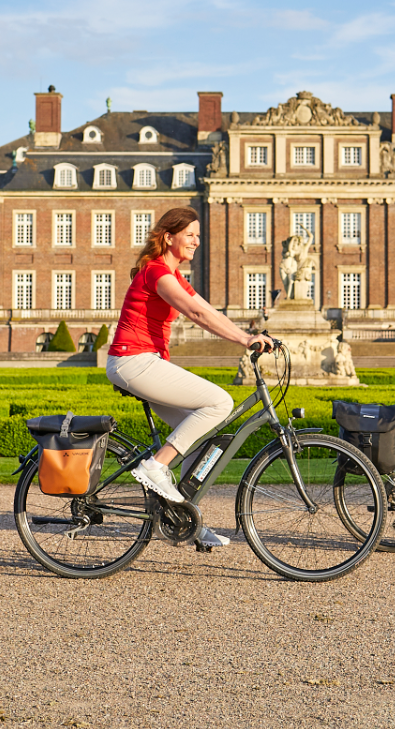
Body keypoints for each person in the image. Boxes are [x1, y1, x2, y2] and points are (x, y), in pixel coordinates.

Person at [107, 206, 277, 548]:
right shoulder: (157, 272)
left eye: (198, 235)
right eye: (190, 235)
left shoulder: (173, 275)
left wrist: (248, 334)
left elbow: (210, 310)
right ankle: (155, 467)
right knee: (220, 402)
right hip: (133, 360)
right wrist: (244, 340)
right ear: (168, 237)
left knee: (199, 437)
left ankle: (185, 519)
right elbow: (197, 313)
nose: (197, 241)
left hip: (145, 362)